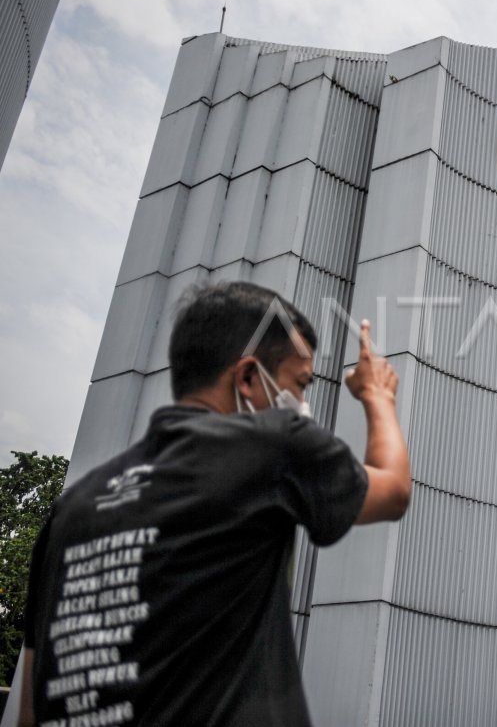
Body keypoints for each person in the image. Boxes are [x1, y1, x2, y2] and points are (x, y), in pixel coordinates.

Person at [16, 281, 412, 726]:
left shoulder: (71, 511)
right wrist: (379, 396)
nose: (301, 403)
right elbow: (393, 490)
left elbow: (30, 708)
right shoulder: (273, 445)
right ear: (246, 377)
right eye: (299, 384)